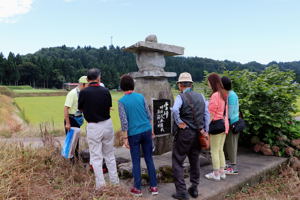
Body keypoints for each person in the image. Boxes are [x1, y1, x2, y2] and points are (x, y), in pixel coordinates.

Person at [78, 68, 119, 189]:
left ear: (87, 79)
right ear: (98, 78)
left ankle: (101, 186)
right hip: (107, 124)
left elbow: (80, 109)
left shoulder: (84, 92)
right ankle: (115, 183)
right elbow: (109, 107)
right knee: (109, 155)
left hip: (93, 126)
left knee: (96, 156)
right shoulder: (106, 91)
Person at [118, 75, 158, 197]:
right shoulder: (140, 97)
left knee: (136, 161)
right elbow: (149, 115)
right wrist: (151, 129)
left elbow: (124, 122)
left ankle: (137, 189)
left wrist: (125, 139)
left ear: (121, 87)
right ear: (133, 85)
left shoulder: (121, 102)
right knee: (149, 159)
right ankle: (154, 187)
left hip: (133, 134)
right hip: (146, 130)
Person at [172, 72, 207, 200]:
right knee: (195, 160)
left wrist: (179, 122)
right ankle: (194, 188)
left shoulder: (180, 97)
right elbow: (206, 114)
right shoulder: (201, 96)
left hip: (185, 133)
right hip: (199, 133)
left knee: (177, 160)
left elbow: (175, 110)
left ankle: (181, 191)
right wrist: (205, 130)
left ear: (180, 85)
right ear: (191, 85)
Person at [205, 73, 229, 181]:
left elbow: (211, 113)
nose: (208, 84)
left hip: (216, 125)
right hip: (224, 125)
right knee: (220, 149)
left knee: (214, 150)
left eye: (209, 82)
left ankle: (215, 173)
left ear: (213, 82)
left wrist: (206, 127)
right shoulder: (224, 94)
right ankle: (222, 172)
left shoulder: (215, 95)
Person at [64, 76, 88, 159]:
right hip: (71, 120)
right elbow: (66, 108)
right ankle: (70, 163)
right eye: (88, 85)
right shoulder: (73, 93)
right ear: (83, 84)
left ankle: (76, 160)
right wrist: (67, 123)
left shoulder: (83, 93)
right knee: (71, 143)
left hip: (78, 119)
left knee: (76, 142)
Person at [222, 76, 240, 175]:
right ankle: (228, 166)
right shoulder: (228, 94)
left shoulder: (231, 95)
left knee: (231, 145)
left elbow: (231, 111)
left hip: (232, 123)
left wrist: (226, 122)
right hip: (228, 122)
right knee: (227, 145)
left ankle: (233, 167)